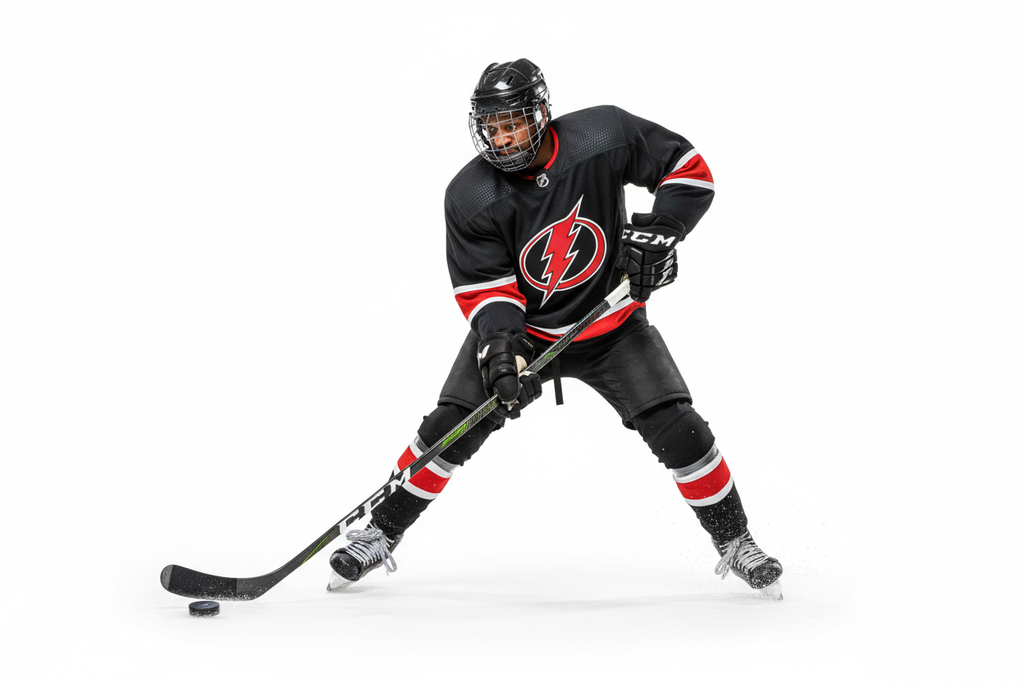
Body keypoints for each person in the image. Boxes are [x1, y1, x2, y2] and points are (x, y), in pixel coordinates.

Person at [328, 59, 783, 592]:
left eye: (513, 122)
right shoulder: (470, 195)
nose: (502, 137)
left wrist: (663, 230)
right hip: (528, 335)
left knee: (679, 428)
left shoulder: (603, 135)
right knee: (449, 427)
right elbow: (486, 287)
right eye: (492, 127)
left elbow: (687, 169)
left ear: (542, 112)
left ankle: (735, 540)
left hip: (613, 324)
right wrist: (503, 349)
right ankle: (379, 533)